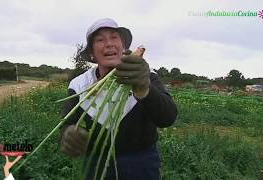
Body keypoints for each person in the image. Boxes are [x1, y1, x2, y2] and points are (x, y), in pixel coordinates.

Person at [60, 18, 178, 180]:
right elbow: (67, 123)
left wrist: (144, 88)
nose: (109, 43)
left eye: (114, 37)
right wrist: (68, 134)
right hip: (96, 164)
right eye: (100, 40)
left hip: (141, 163)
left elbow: (167, 117)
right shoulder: (80, 85)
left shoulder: (146, 76)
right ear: (92, 54)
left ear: (123, 47)